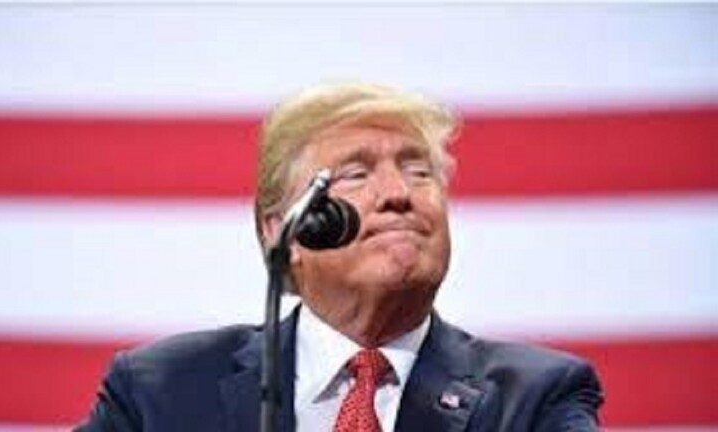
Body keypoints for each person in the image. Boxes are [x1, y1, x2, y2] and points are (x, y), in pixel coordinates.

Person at [76, 82, 603, 431]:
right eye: (355, 173)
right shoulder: (161, 391)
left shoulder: (535, 399)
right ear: (284, 230)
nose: (398, 193)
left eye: (419, 172)